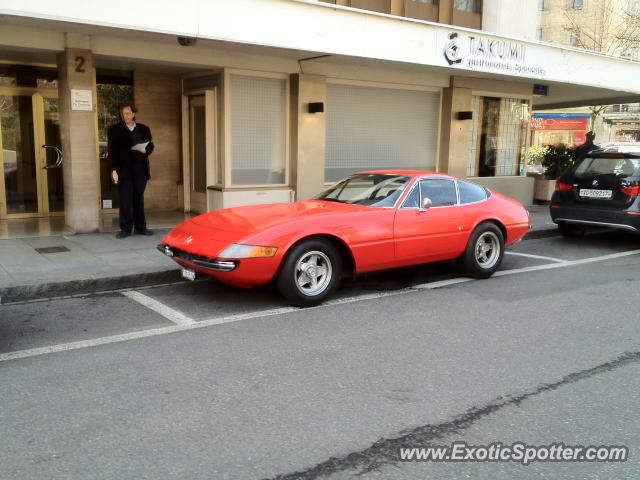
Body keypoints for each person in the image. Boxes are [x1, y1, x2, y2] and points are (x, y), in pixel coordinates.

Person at [108, 103, 154, 239]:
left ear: (134, 114)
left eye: (127, 113)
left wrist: (145, 149)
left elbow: (151, 146)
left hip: (140, 169)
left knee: (138, 199)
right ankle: (126, 228)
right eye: (123, 114)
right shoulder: (114, 130)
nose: (125, 116)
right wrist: (114, 169)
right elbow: (112, 151)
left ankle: (141, 227)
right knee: (125, 200)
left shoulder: (144, 129)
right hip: (124, 170)